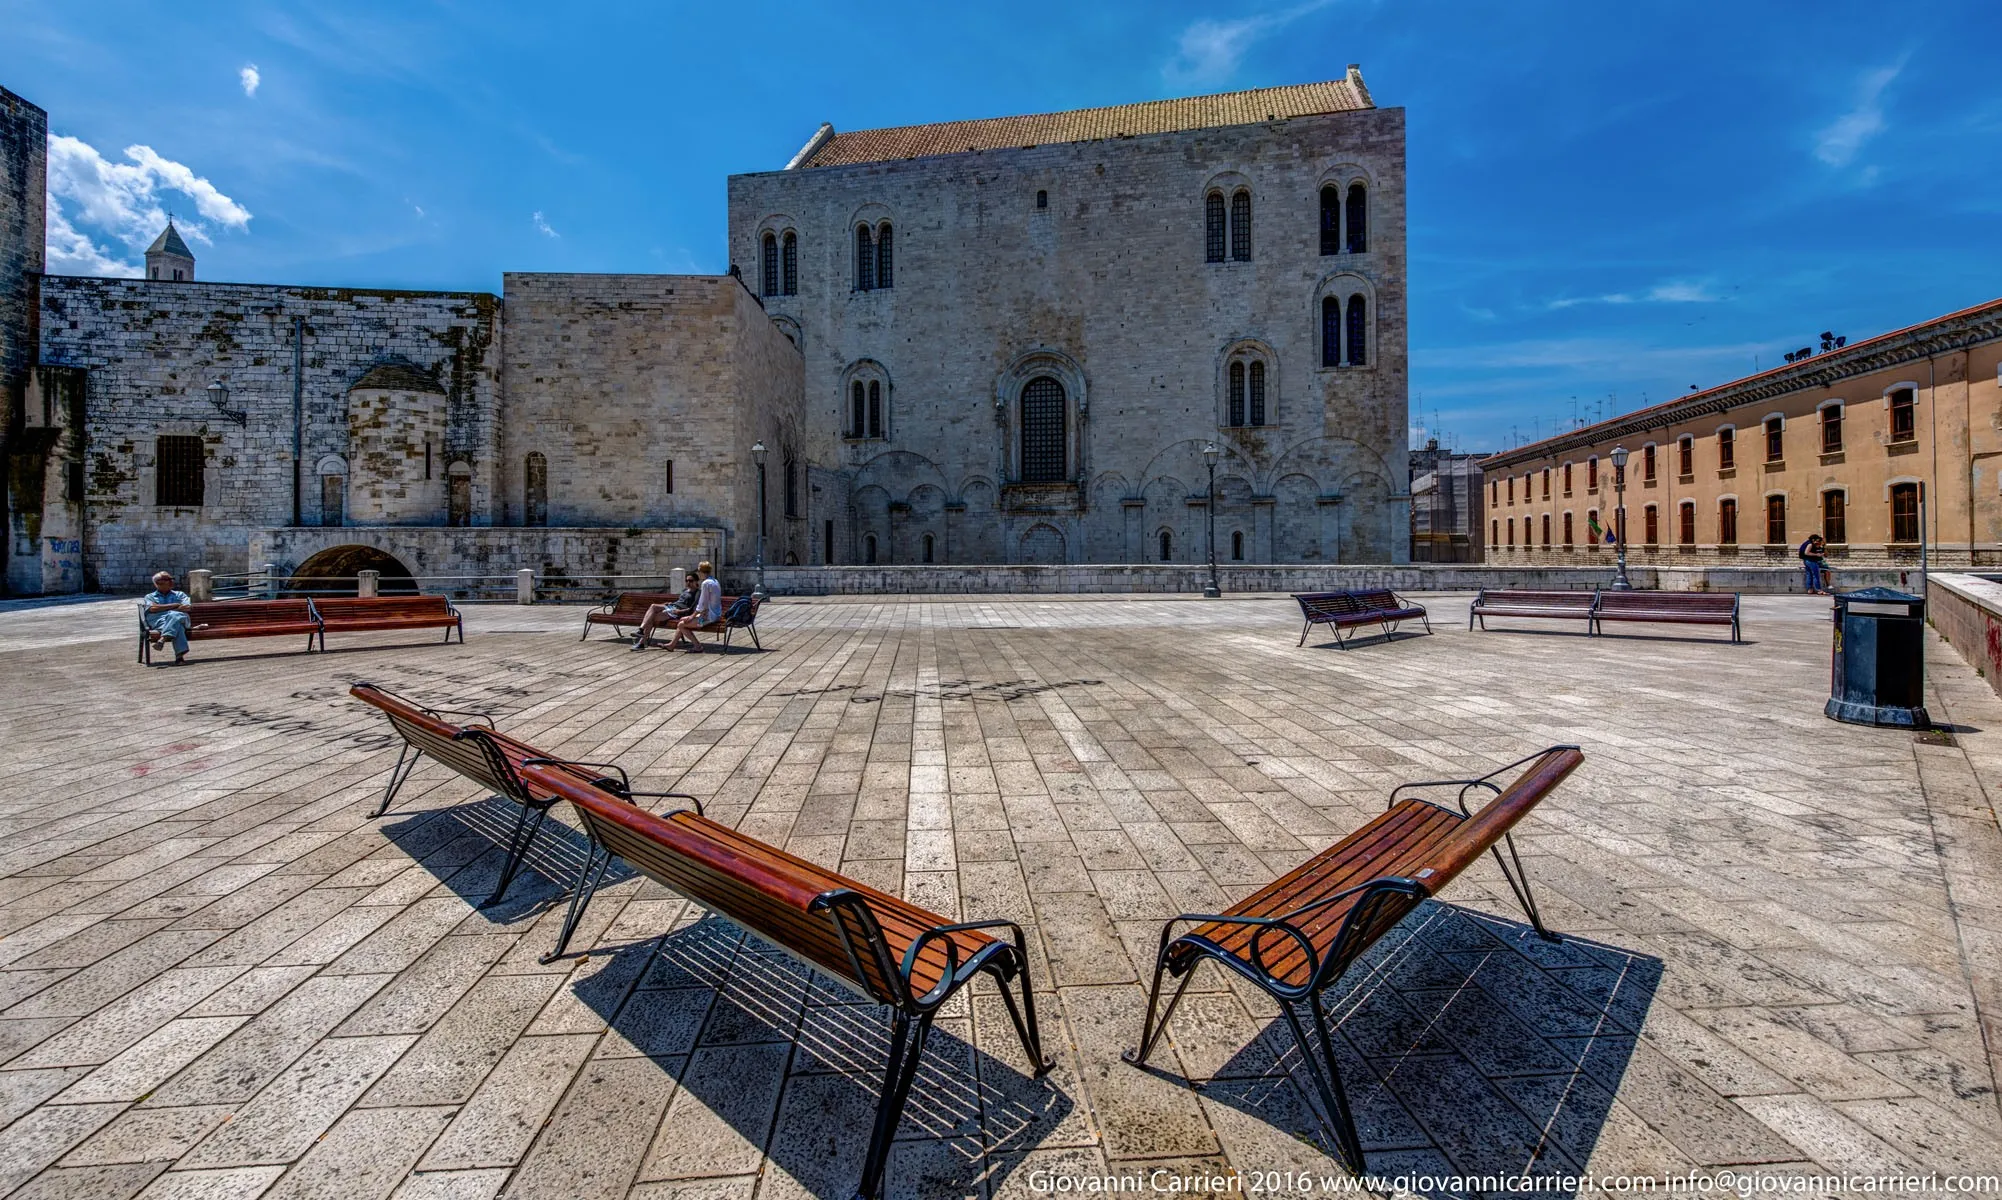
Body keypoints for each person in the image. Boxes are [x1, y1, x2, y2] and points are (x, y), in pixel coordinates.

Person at [630, 568, 701, 651]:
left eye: (691, 581)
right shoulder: (684, 590)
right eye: (686, 580)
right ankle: (641, 639)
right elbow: (679, 602)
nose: (688, 582)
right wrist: (669, 603)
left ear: (696, 581)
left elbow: (692, 609)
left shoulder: (697, 592)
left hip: (678, 612)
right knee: (652, 615)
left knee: (653, 607)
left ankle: (641, 634)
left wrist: (679, 611)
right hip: (672, 607)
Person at [659, 561, 724, 652]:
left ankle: (697, 646)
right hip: (715, 615)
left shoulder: (706, 584)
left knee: (681, 624)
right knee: (682, 621)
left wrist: (691, 617)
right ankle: (672, 645)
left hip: (708, 617)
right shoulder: (715, 581)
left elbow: (701, 605)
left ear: (701, 571)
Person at [138, 571, 199, 664]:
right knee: (177, 625)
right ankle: (179, 657)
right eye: (168, 579)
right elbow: (153, 608)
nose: (172, 581)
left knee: (174, 615)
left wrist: (163, 608)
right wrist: (175, 605)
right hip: (161, 621)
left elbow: (187, 607)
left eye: (172, 579)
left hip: (181, 618)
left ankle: (162, 639)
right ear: (158, 583)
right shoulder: (150, 596)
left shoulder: (180, 594)